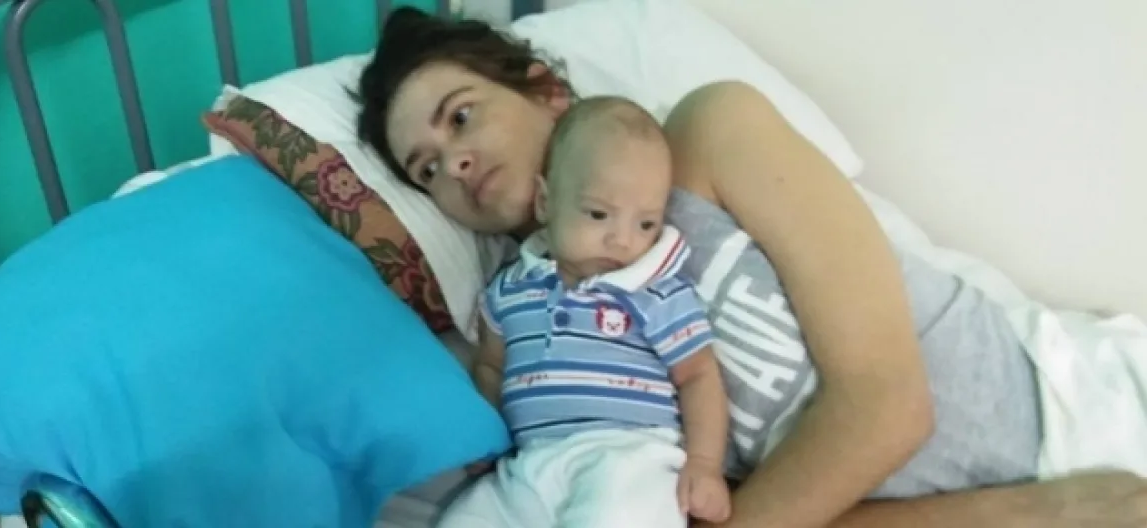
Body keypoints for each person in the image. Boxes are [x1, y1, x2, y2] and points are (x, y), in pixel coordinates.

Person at [355, 5, 1147, 528]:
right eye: (426, 169)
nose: (455, 163)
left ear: (544, 90)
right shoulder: (536, 327)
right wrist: (1033, 513)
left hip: (1074, 413)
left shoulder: (707, 132)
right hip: (1016, 503)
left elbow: (888, 402)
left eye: (461, 117)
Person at [437, 95, 732, 527]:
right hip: (532, 462)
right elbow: (491, 366)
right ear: (545, 202)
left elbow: (699, 374)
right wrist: (485, 434)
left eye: (646, 223)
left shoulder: (655, 291)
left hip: (628, 456)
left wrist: (704, 465)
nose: (623, 240)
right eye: (598, 214)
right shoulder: (511, 289)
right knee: (467, 518)